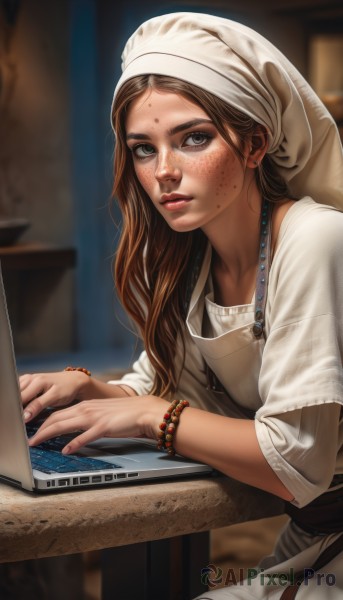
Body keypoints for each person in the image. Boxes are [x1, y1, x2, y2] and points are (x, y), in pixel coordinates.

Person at [20, 12, 343, 599]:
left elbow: (295, 462)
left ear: (254, 143)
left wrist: (146, 417)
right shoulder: (187, 260)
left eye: (194, 139)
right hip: (313, 540)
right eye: (144, 149)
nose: (164, 171)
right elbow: (161, 385)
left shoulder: (315, 238)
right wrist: (96, 391)